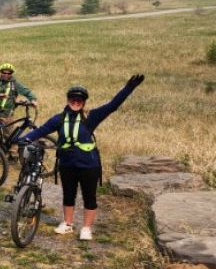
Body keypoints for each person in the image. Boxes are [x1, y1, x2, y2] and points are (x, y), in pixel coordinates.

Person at [20, 75, 145, 240]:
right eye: (73, 98)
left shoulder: (91, 117)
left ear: (84, 102)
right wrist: (24, 139)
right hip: (67, 164)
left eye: (79, 99)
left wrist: (129, 88)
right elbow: (41, 130)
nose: (76, 102)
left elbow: (113, 105)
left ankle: (86, 228)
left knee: (89, 196)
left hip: (88, 165)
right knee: (68, 194)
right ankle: (68, 224)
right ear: (68, 100)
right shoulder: (59, 119)